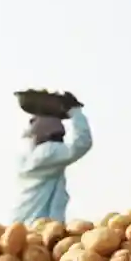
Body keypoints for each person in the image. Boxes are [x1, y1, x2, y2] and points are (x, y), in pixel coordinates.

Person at [14, 95, 93, 224]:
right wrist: (75, 112)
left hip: (27, 223)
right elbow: (81, 144)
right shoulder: (46, 153)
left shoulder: (28, 156)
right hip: (37, 226)